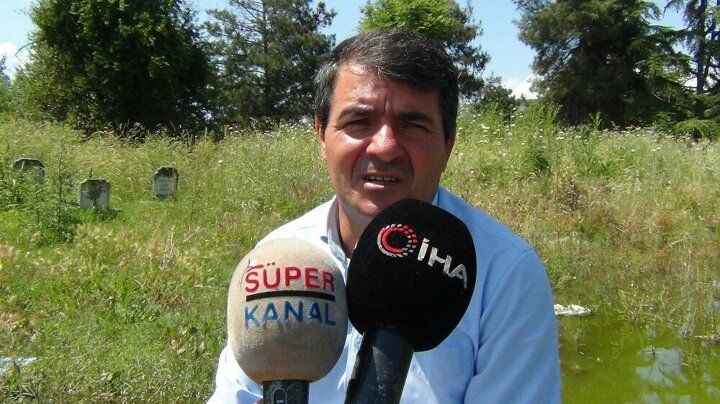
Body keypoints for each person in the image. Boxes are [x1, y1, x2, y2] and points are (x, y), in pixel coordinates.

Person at [208, 31, 561, 403]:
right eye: (358, 121)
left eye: (413, 125)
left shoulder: (504, 272)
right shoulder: (276, 260)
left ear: (448, 144)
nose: (385, 147)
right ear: (321, 135)